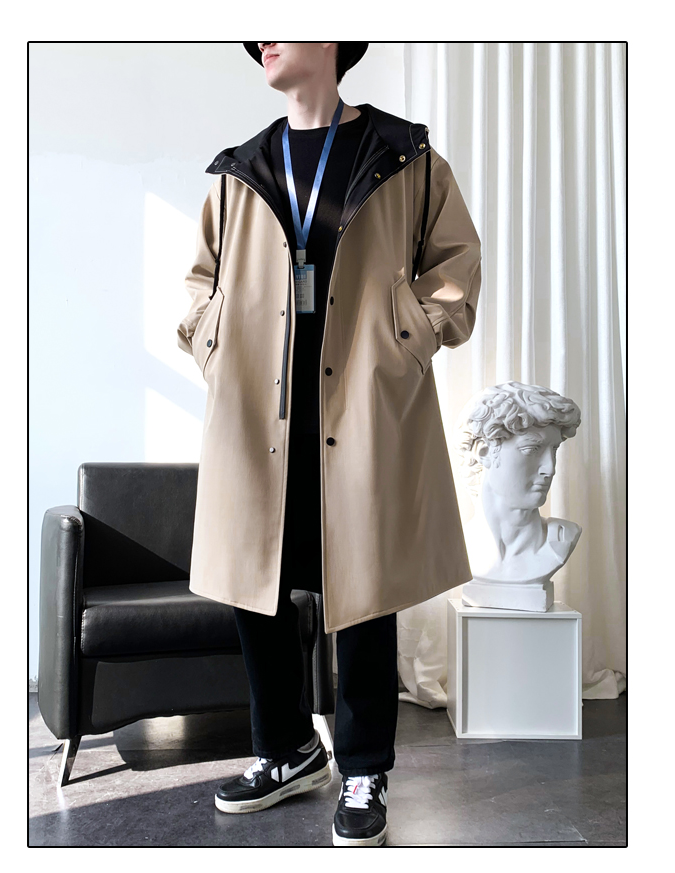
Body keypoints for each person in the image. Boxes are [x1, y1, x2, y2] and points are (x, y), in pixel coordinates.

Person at [178, 42, 482, 847]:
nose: (264, 39)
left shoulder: (404, 156)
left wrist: (405, 338)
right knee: (254, 583)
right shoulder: (239, 170)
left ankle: (364, 767)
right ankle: (288, 749)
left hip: (362, 402)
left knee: (365, 585)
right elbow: (200, 283)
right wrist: (213, 342)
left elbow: (455, 263)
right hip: (258, 407)